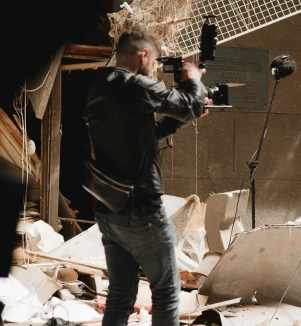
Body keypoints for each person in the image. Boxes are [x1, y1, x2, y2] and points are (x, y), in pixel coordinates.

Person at [85, 28, 209, 326]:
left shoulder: (100, 86)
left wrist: (182, 116)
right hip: (141, 209)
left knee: (119, 295)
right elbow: (190, 103)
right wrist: (193, 80)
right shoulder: (134, 84)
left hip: (109, 209)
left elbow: (147, 135)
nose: (154, 69)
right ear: (143, 56)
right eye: (154, 63)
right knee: (166, 292)